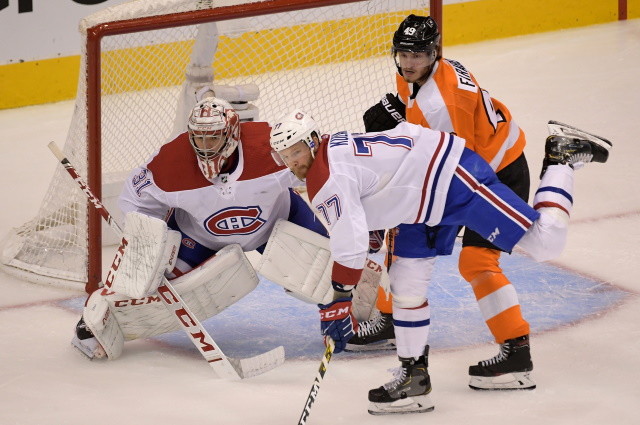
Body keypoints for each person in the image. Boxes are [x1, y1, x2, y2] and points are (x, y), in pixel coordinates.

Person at [269, 109, 610, 414]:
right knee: (405, 284)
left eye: (296, 151)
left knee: (545, 242)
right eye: (286, 156)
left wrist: (339, 300)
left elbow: (350, 245)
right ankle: (413, 377)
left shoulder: (325, 178)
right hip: (418, 202)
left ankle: (561, 159)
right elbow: (370, 192)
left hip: (449, 176)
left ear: (313, 142)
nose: (294, 162)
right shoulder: (330, 154)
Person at [350, 13, 535, 392]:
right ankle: (388, 317)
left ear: (434, 54)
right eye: (403, 54)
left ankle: (516, 350)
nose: (408, 63)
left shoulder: (443, 103)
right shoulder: (416, 74)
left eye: (417, 55)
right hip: (469, 164)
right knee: (401, 230)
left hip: (496, 174)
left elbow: (449, 165)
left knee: (477, 261)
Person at [71, 97, 328, 360]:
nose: (205, 146)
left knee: (330, 269)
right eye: (199, 138)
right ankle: (97, 318)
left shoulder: (269, 146)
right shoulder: (170, 163)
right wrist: (150, 242)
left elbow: (321, 164)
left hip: (277, 221)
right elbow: (134, 201)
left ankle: (354, 318)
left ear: (231, 134)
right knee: (147, 287)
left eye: (213, 138)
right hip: (198, 237)